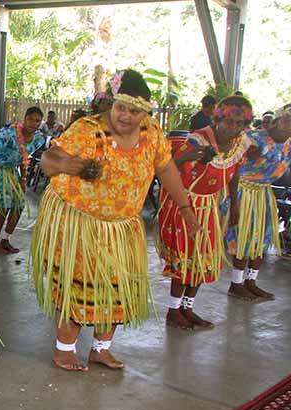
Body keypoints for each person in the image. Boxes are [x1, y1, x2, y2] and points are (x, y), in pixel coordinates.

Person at [31, 70, 200, 371]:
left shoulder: (152, 134)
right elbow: (47, 160)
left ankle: (101, 349)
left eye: (134, 111)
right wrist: (67, 163)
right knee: (79, 288)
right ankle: (64, 350)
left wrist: (185, 207)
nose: (125, 116)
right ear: (113, 103)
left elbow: (166, 169)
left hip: (122, 227)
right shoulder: (88, 130)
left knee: (116, 289)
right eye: (121, 107)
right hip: (81, 223)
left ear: (145, 113)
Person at [157, 96, 253, 329]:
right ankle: (173, 311)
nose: (233, 128)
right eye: (228, 121)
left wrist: (234, 204)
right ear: (217, 119)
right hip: (184, 205)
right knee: (185, 259)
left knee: (202, 260)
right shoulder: (197, 139)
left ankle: (187, 308)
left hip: (209, 206)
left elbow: (235, 173)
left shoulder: (240, 143)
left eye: (239, 124)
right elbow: (166, 169)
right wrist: (185, 157)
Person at [225, 103, 291, 301]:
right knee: (244, 239)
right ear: (276, 121)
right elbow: (233, 167)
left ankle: (251, 282)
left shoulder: (288, 144)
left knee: (262, 238)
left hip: (263, 193)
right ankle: (236, 284)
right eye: (287, 120)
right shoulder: (254, 139)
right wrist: (234, 203)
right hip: (243, 192)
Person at [0, 106, 43, 254]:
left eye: (37, 121)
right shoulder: (9, 134)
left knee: (19, 205)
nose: (33, 123)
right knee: (4, 205)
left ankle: (5, 239)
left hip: (12, 171)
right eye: (30, 119)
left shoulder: (38, 140)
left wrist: (23, 178)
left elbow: (25, 158)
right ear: (24, 119)